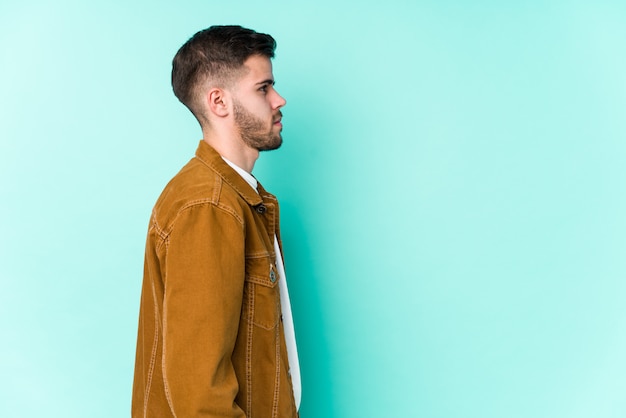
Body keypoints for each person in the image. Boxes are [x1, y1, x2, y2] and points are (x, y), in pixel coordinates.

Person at [132, 25, 300, 417]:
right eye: (263, 88)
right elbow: (199, 397)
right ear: (219, 102)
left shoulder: (240, 199)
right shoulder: (209, 205)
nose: (280, 99)